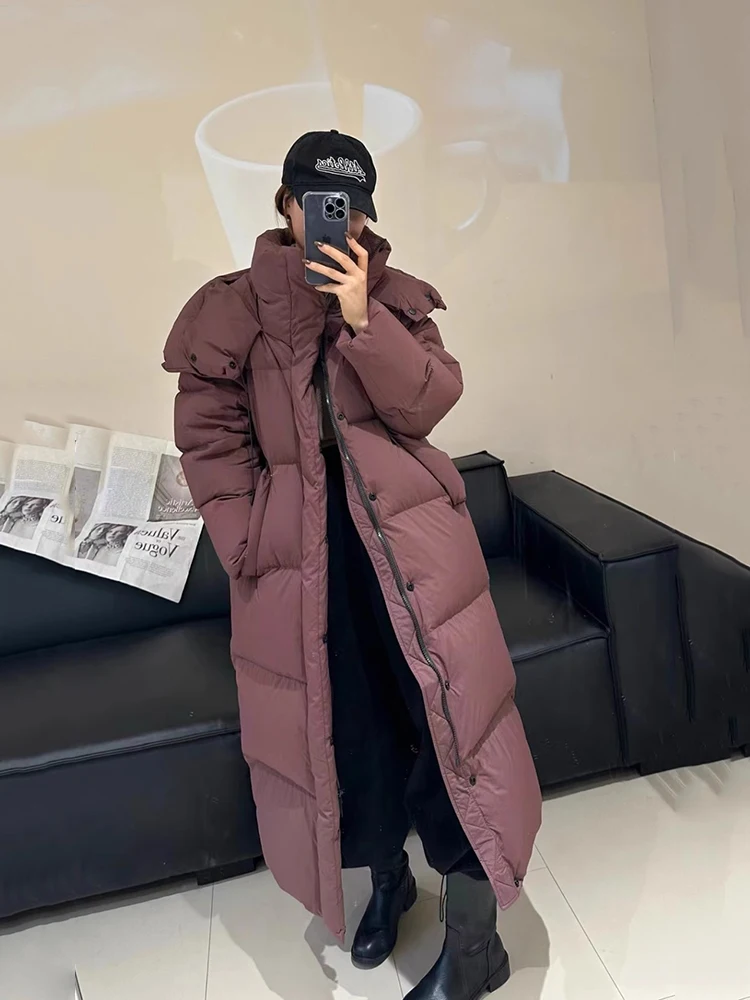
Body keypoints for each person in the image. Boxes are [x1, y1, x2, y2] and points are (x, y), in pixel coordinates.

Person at [164, 130, 541, 998]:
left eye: (357, 209)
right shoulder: (229, 313)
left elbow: (429, 404)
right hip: (304, 562)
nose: (345, 223)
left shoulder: (391, 299)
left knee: (451, 730)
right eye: (323, 203)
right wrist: (248, 540)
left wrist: (365, 319)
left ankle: (475, 945)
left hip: (409, 551)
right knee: (347, 729)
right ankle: (389, 883)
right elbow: (208, 437)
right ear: (287, 205)